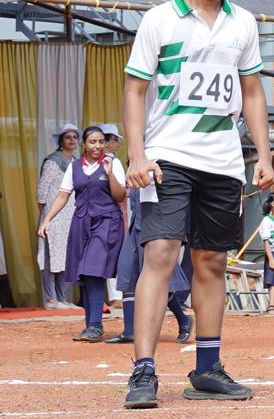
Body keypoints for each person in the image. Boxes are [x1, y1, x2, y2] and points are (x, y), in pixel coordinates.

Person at [119, 0, 274, 409]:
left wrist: (264, 155)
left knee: (212, 262)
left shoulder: (243, 23)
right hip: (169, 157)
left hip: (223, 162)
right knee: (161, 254)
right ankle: (143, 370)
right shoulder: (159, 20)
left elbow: (252, 92)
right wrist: (137, 154)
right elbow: (134, 90)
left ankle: (207, 370)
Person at [37, 125, 127, 341]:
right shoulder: (74, 166)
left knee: (93, 270)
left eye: (101, 142)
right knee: (85, 274)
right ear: (84, 145)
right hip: (81, 222)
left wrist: (109, 174)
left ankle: (95, 326)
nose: (97, 146)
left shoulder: (112, 163)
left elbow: (120, 196)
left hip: (106, 221)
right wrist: (47, 219)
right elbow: (63, 195)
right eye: (92, 142)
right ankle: (91, 325)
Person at [112, 184, 193, 341]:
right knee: (127, 272)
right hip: (135, 228)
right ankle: (129, 331)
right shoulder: (138, 173)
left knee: (162, 282)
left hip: (155, 230)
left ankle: (183, 319)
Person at [36, 123, 77, 308]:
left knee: (65, 257)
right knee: (50, 256)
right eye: (68, 137)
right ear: (61, 141)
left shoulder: (75, 162)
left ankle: (63, 298)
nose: (72, 140)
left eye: (75, 137)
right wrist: (46, 216)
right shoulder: (53, 161)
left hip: (70, 216)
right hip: (53, 216)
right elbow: (42, 192)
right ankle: (51, 299)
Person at [256, 196, 274, 312]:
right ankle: (271, 305)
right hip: (273, 252)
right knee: (273, 280)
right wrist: (271, 259)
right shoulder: (266, 221)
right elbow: (266, 241)